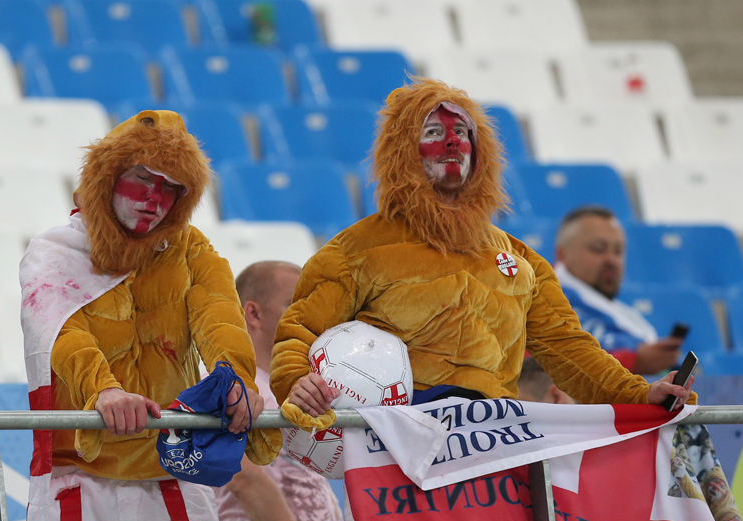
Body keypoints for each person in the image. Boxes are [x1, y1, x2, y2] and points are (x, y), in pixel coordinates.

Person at [269, 77, 694, 431]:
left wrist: (640, 393)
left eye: (463, 133)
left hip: (496, 445)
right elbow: (298, 332)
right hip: (397, 448)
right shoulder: (355, 250)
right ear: (401, 153)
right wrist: (296, 382)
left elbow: (570, 350)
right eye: (433, 133)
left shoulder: (521, 260)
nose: (453, 142)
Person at [17, 110, 281, 521]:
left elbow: (219, 319)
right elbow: (61, 337)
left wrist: (237, 382)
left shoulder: (193, 250)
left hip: (172, 477)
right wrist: (104, 393)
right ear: (106, 176)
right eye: (143, 178)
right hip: (79, 483)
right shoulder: (53, 250)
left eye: (171, 188)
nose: (154, 199)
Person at [215, 261, 352, 521]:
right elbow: (243, 480)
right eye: (296, 304)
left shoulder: (299, 389)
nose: (309, 318)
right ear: (253, 313)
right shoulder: (227, 388)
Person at [554, 205, 683, 375]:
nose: (611, 260)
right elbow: (546, 365)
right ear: (562, 255)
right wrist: (632, 363)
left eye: (618, 251)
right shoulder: (538, 302)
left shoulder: (629, 320)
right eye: (598, 248)